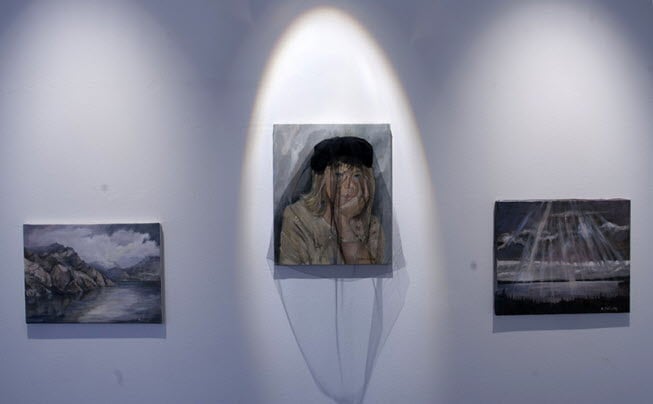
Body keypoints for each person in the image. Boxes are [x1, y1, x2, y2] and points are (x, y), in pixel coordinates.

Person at [278, 136, 384, 265]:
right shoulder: (297, 217)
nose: (350, 186)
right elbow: (291, 271)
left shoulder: (372, 225)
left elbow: (369, 272)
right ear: (322, 179)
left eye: (356, 175)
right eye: (339, 175)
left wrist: (344, 221)